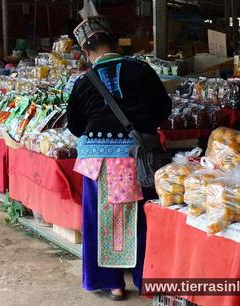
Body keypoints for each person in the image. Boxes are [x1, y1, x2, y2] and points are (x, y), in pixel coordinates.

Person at [67, 16, 171, 301]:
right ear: (115, 43)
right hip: (137, 158)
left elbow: (74, 125)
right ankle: (143, 278)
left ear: (87, 52)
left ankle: (112, 283)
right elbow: (164, 108)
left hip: (97, 162)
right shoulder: (142, 70)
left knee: (99, 220)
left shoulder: (84, 81)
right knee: (138, 219)